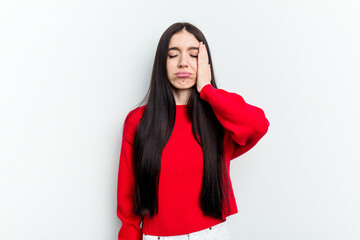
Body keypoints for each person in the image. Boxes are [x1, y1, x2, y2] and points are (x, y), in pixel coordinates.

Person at [116, 22, 270, 240]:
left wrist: (207, 89)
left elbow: (258, 125)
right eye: (173, 54)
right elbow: (128, 211)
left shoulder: (219, 116)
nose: (183, 63)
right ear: (162, 63)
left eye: (193, 55)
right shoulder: (138, 122)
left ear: (205, 63)